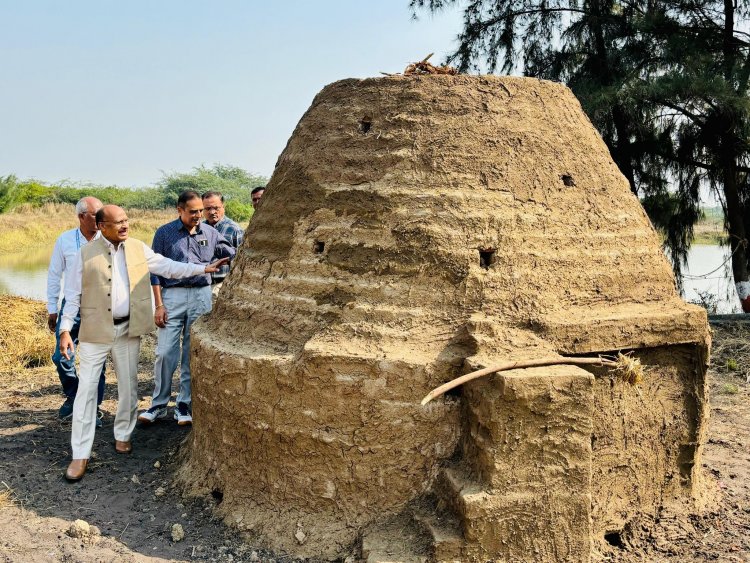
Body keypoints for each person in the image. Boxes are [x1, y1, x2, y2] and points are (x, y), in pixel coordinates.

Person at [58, 205, 229, 482]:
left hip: (128, 329)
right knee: (86, 391)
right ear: (102, 226)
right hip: (95, 331)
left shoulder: (137, 247)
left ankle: (123, 434)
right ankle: (80, 454)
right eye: (118, 223)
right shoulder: (85, 254)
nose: (125, 226)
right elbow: (72, 295)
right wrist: (65, 329)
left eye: (126, 220)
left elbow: (167, 266)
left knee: (129, 385)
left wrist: (202, 268)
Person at [138, 190, 235, 426]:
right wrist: (158, 305)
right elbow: (155, 271)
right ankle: (158, 405)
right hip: (172, 296)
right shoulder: (164, 233)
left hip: (201, 295)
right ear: (179, 210)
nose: (198, 215)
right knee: (164, 352)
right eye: (193, 212)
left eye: (200, 210)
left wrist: (228, 259)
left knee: (192, 351)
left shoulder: (211, 232)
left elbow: (233, 253)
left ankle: (184, 404)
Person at [47, 197, 107, 425]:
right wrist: (52, 308)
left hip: (100, 307)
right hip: (72, 306)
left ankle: (92, 407)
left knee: (97, 362)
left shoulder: (108, 239)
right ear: (81, 216)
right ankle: (75, 396)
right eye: (95, 215)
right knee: (60, 357)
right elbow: (54, 275)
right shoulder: (65, 240)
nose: (101, 219)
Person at [201, 191, 244, 287]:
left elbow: (241, 261)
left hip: (222, 285)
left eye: (216, 208)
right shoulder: (200, 229)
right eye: (207, 208)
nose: (212, 212)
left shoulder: (234, 230)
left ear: (223, 207)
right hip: (202, 284)